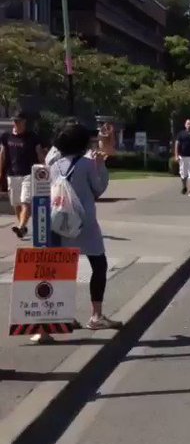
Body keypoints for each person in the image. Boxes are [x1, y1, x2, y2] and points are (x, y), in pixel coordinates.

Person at [50, 122, 120, 331]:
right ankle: (96, 315)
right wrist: (101, 166)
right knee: (99, 265)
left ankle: (64, 314)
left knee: (64, 270)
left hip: (61, 221)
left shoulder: (54, 165)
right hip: (85, 222)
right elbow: (98, 188)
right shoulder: (87, 164)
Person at [0, 112, 46, 239]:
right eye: (14, 121)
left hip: (28, 174)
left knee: (25, 201)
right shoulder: (6, 137)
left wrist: (45, 167)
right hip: (12, 174)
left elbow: (39, 153)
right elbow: (3, 155)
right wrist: (1, 172)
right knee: (16, 203)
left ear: (24, 122)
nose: (16, 123)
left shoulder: (32, 137)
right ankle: (23, 227)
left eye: (19, 121)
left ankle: (20, 227)